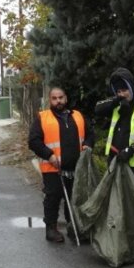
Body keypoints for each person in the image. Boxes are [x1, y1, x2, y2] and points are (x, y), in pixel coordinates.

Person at [28, 87, 95, 243]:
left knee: (74, 198)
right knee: (53, 198)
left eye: (61, 97)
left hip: (76, 167)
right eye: (54, 98)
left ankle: (73, 227)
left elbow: (90, 134)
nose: (58, 101)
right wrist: (49, 155)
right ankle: (51, 229)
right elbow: (33, 141)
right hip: (52, 168)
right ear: (49, 100)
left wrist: (88, 145)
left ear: (66, 98)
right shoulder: (42, 118)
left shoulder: (78, 116)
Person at [94, 67, 134, 198]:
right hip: (115, 159)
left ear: (132, 87)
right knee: (116, 199)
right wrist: (116, 100)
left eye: (124, 90)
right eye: (118, 91)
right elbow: (97, 108)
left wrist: (131, 150)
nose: (122, 94)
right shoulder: (117, 101)